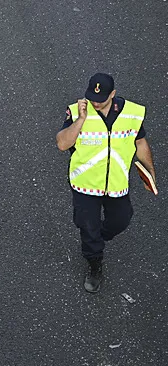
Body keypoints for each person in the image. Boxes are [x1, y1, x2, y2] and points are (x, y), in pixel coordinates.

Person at [56, 73, 156, 293]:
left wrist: (150, 171)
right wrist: (81, 120)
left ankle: (95, 237)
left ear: (113, 94)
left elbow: (139, 142)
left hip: (116, 183)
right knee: (88, 226)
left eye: (101, 98)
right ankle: (94, 264)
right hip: (85, 183)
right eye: (92, 97)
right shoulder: (76, 111)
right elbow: (62, 144)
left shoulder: (132, 113)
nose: (95, 102)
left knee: (121, 220)